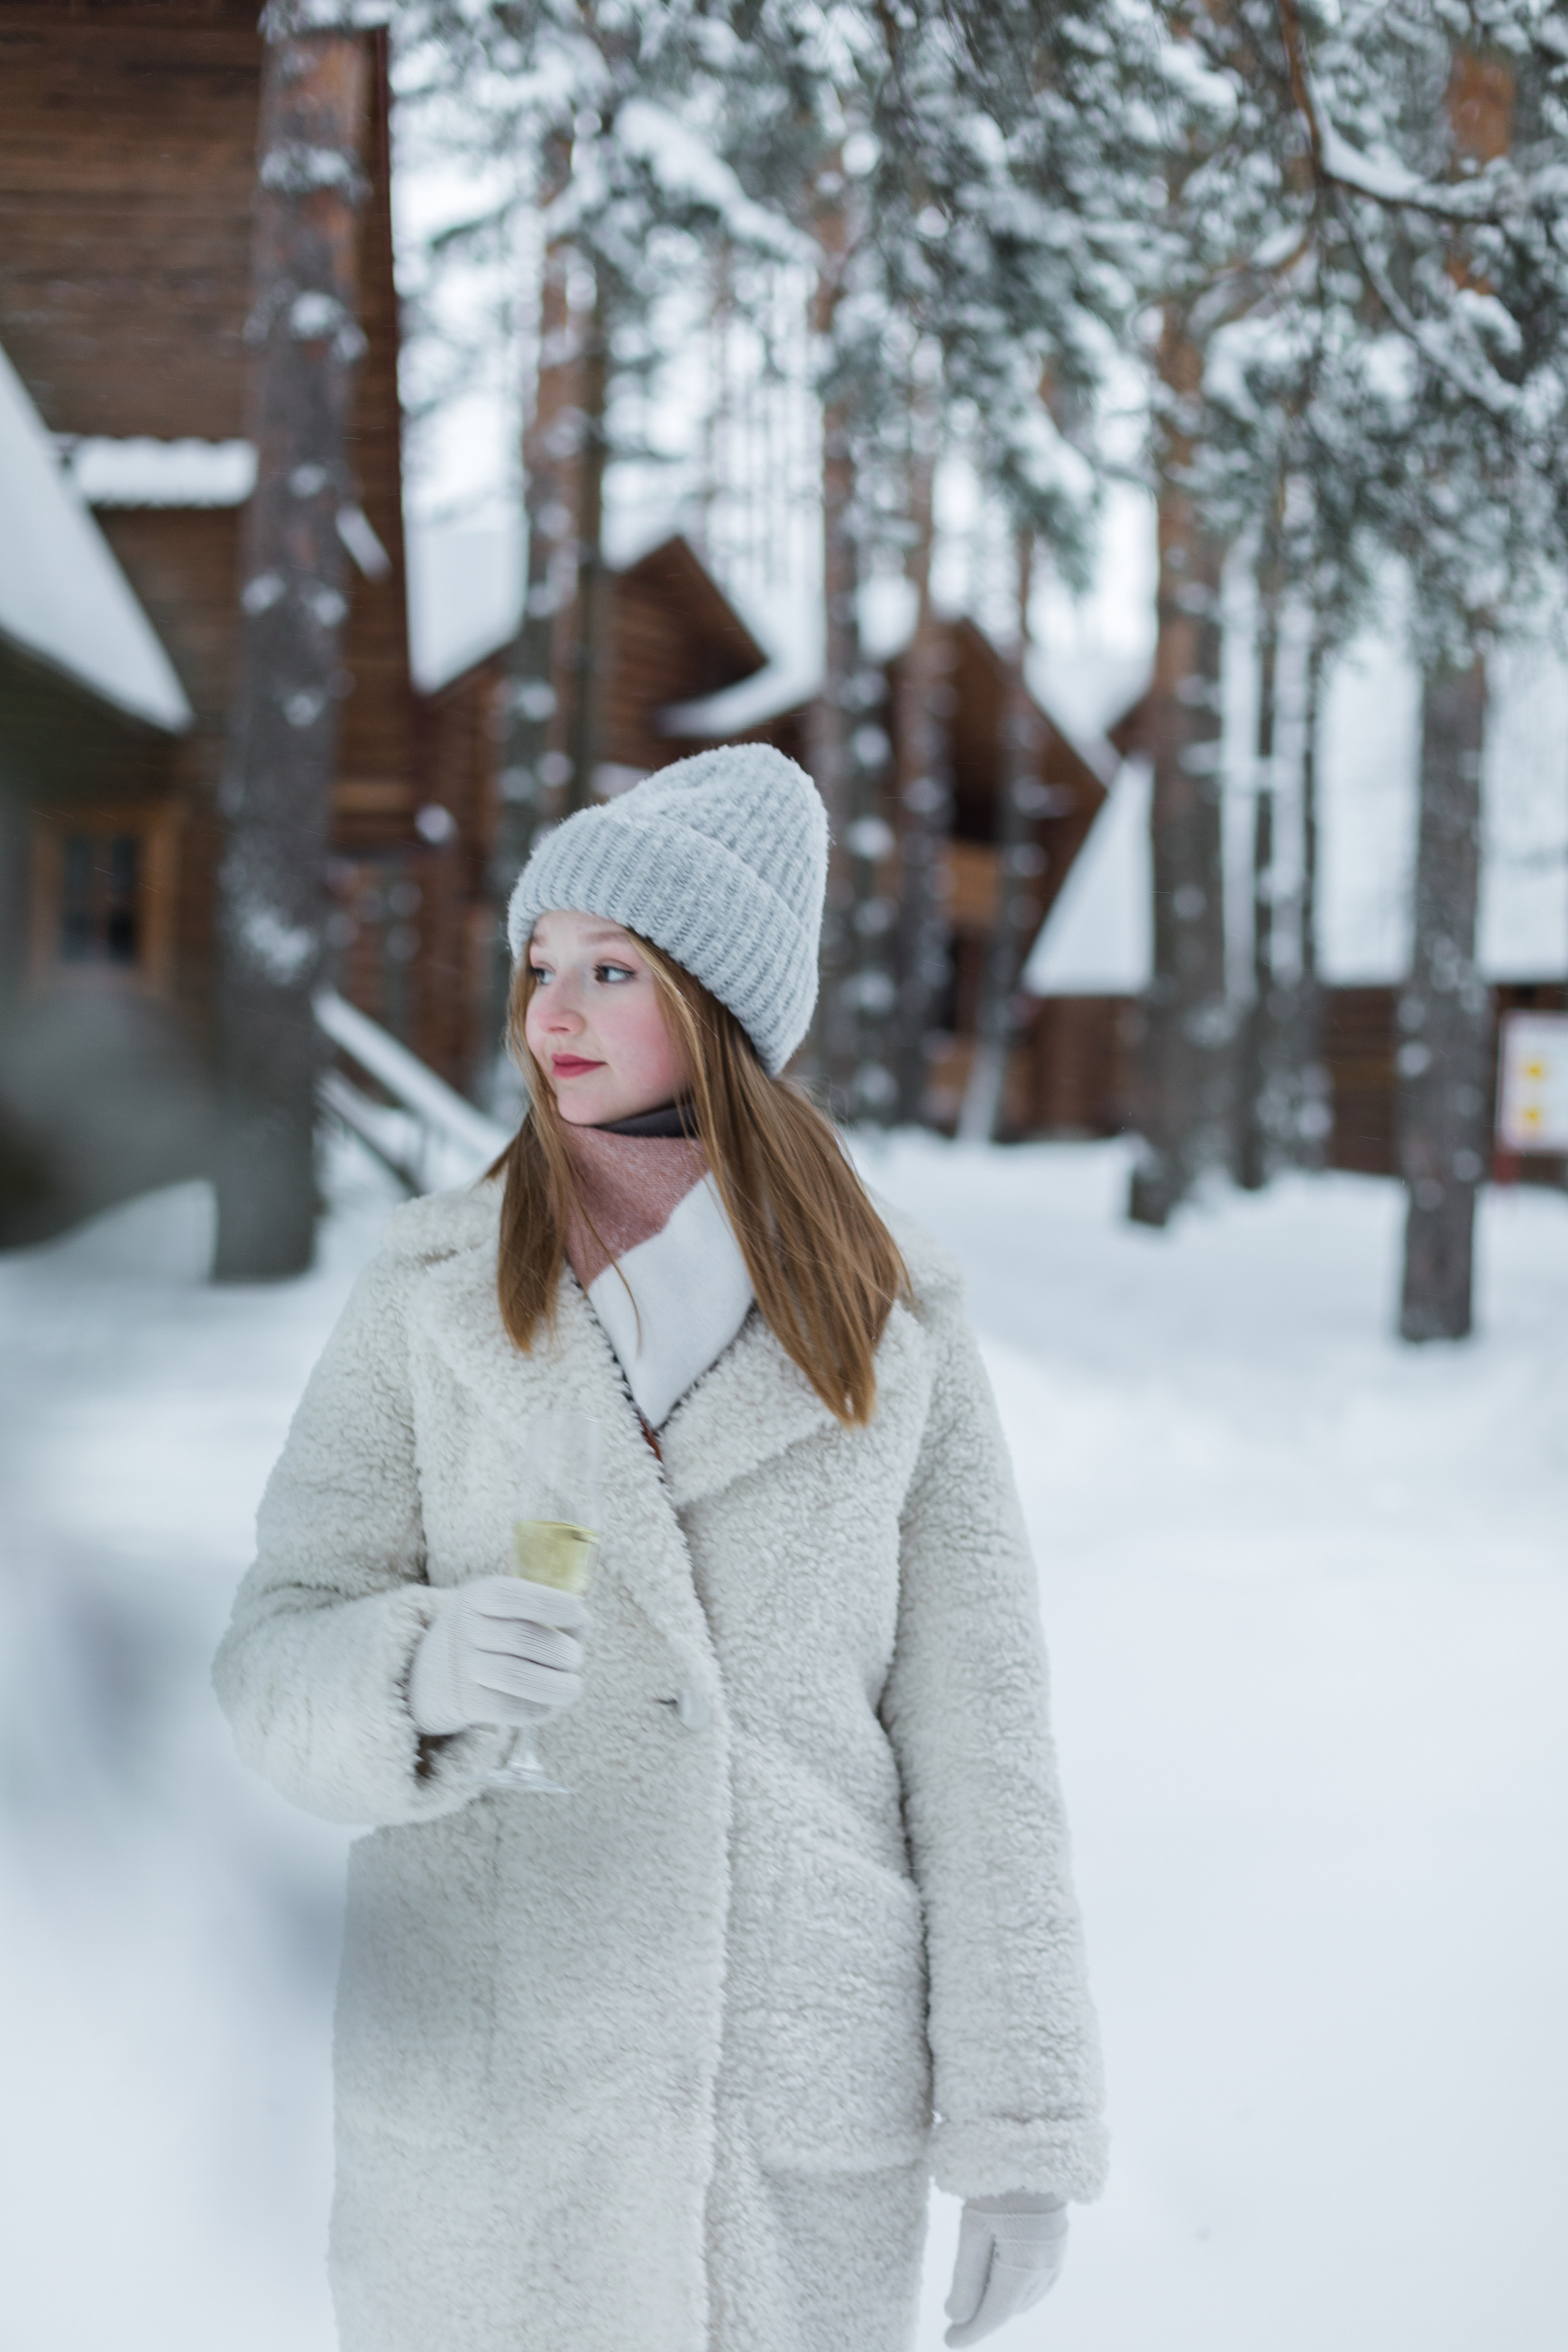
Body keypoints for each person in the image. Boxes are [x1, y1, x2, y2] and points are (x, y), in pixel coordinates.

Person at [214, 744, 1106, 2352]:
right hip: (495, 2120)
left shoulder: (895, 1331)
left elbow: (987, 1755)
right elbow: (275, 1649)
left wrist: (1022, 2140)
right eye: (540, 962)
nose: (551, 1009)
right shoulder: (424, 1298)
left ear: (717, 1008)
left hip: (789, 2111)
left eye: (610, 970)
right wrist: (407, 1669)